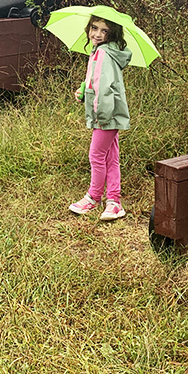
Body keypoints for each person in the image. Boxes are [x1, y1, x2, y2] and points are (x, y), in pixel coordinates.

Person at [69, 15, 131, 221]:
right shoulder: (103, 51)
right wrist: (83, 91)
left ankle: (93, 197)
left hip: (105, 114)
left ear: (111, 34)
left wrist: (100, 117)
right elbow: (96, 81)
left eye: (104, 31)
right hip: (110, 111)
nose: (97, 34)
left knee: (96, 156)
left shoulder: (103, 52)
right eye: (94, 28)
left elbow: (104, 89)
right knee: (111, 157)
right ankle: (114, 202)